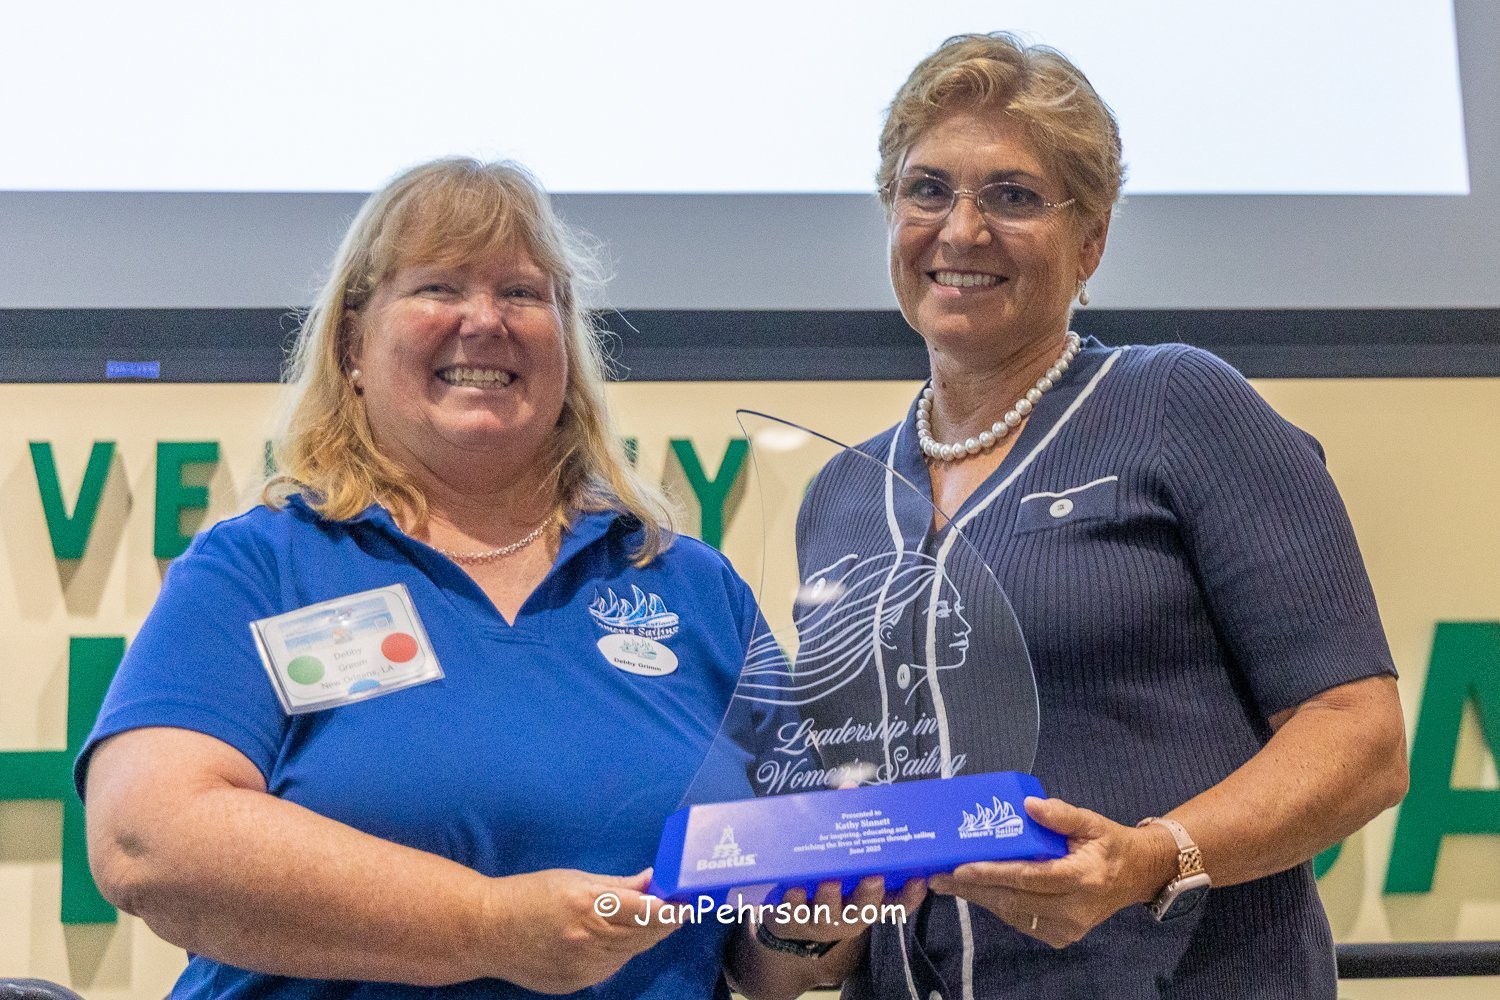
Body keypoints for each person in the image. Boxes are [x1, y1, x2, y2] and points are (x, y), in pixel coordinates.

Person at [741, 33, 1410, 1000]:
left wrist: (1152, 860)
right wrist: (809, 919)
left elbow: (1361, 735)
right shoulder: (841, 496)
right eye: (927, 190)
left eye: (1012, 197)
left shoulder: (1182, 406)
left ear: (1090, 241)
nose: (961, 230)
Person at [76, 158, 767, 999]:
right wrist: (487, 926)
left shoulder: (695, 589)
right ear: (353, 345)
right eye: (439, 286)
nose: (485, 321)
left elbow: (759, 946)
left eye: (522, 293)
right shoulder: (262, 567)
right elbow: (147, 840)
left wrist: (814, 937)